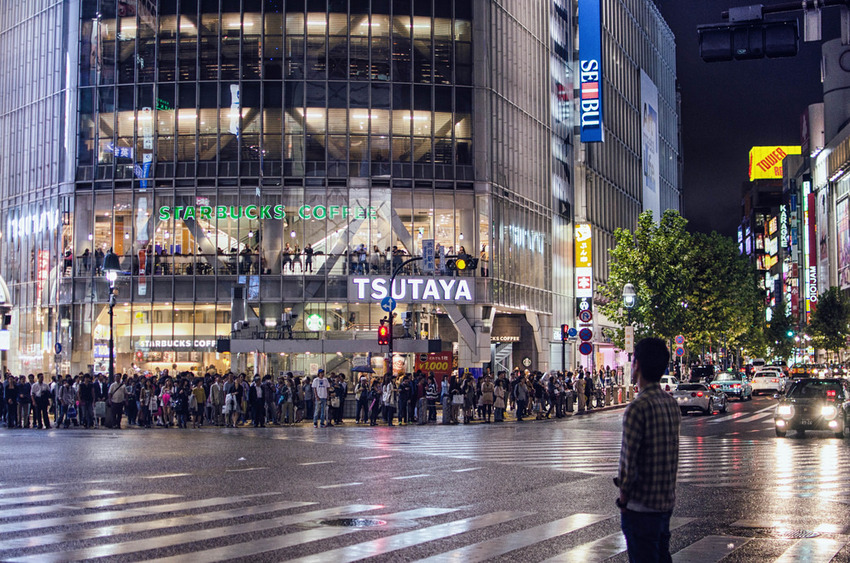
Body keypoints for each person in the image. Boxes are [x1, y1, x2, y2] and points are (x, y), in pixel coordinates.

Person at [616, 337, 681, 563]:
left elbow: (628, 462)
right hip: (665, 502)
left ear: (637, 365)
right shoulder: (670, 403)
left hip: (640, 507)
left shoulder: (637, 408)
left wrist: (623, 499)